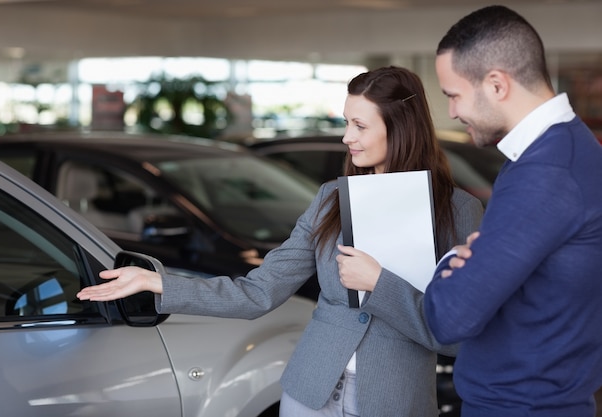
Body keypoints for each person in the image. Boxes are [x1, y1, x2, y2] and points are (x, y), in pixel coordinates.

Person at [77, 65, 484, 417]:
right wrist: (158, 283)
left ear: (400, 128)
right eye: (346, 122)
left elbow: (457, 336)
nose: (346, 137)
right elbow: (258, 292)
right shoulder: (331, 198)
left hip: (394, 399)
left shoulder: (458, 211)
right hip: (310, 390)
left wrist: (381, 284)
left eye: (359, 125)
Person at [419, 5, 602, 417]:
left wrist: (451, 260)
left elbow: (450, 317)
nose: (451, 112)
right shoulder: (572, 148)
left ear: (497, 84)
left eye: (453, 95)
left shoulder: (545, 173)